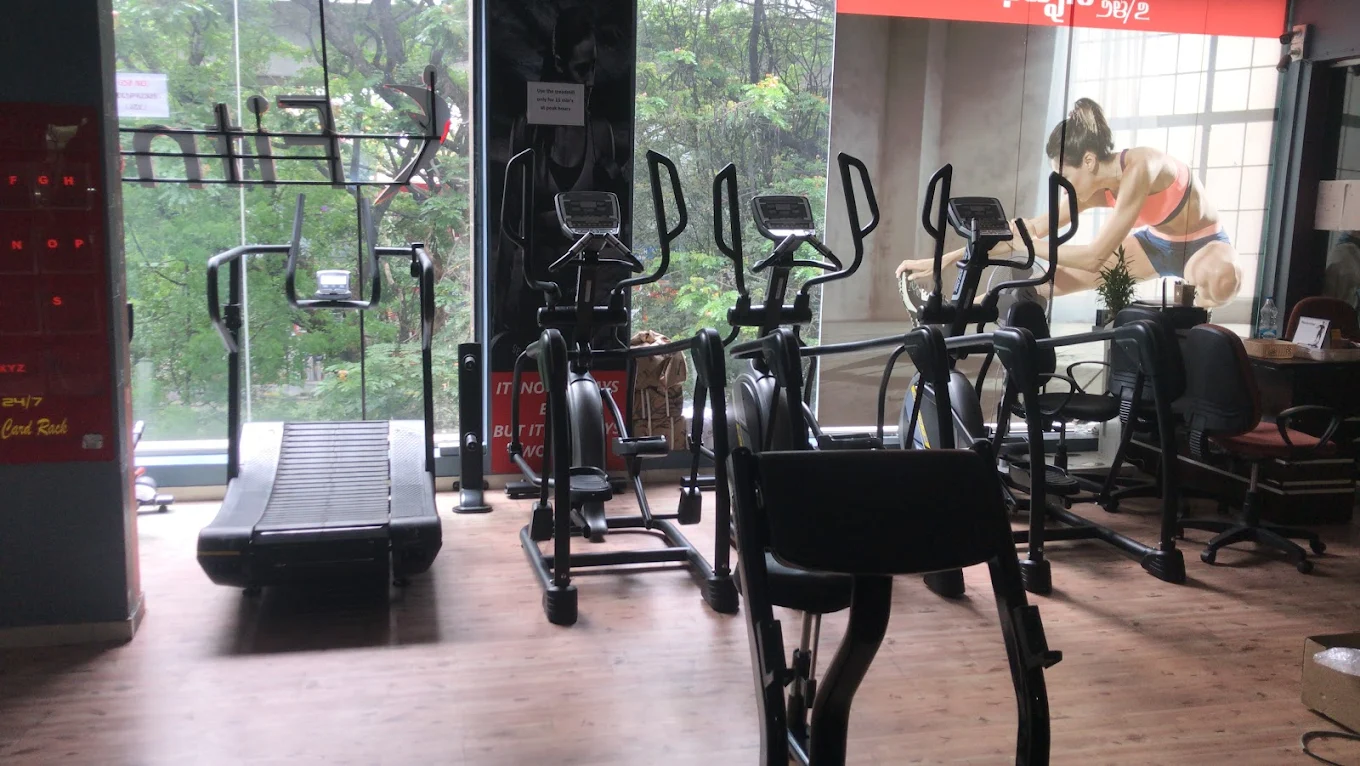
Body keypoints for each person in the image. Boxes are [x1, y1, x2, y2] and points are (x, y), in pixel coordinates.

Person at [896, 98, 1243, 308]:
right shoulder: (1094, 188)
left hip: (1204, 244)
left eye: (1064, 176)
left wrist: (1029, 245)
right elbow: (1028, 229)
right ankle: (951, 307)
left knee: (1214, 279)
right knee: (1043, 283)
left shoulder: (1142, 168)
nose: (1062, 187)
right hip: (1157, 245)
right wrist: (938, 261)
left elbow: (1094, 257)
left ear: (1088, 161)